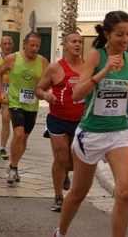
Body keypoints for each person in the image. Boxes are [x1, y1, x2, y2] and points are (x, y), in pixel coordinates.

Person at [52, 10, 128, 237]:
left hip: (119, 132)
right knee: (79, 193)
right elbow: (77, 94)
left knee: (125, 193)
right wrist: (103, 71)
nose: (125, 39)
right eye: (120, 34)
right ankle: (60, 233)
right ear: (107, 34)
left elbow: (125, 85)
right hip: (91, 132)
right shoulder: (95, 56)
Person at [35, 32, 85, 212]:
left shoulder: (89, 68)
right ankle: (58, 197)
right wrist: (45, 95)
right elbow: (39, 89)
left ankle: (65, 174)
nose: (77, 44)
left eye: (80, 42)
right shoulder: (55, 68)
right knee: (61, 157)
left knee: (72, 163)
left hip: (81, 122)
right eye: (73, 42)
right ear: (65, 45)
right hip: (58, 119)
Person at [0, 32, 49, 184]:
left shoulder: (43, 62)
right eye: (31, 45)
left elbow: (50, 79)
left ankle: (14, 165)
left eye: (37, 46)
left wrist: (45, 91)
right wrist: (1, 92)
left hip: (32, 105)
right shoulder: (12, 58)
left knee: (24, 138)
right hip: (15, 102)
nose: (34, 48)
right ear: (24, 44)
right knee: (18, 134)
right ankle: (13, 169)